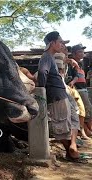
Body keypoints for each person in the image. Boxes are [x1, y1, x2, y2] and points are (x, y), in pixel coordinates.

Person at [37, 32, 86, 163]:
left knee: (74, 117)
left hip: (62, 93)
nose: (62, 44)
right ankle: (72, 153)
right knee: (61, 125)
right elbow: (42, 73)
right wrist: (42, 90)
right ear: (52, 43)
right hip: (56, 95)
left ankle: (73, 145)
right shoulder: (46, 57)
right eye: (60, 42)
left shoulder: (51, 57)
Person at [68, 44, 92, 138]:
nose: (82, 54)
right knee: (84, 110)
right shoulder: (72, 64)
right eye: (80, 52)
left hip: (84, 89)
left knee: (86, 110)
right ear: (74, 54)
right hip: (78, 89)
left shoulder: (81, 64)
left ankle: (86, 130)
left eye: (83, 52)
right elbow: (73, 77)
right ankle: (83, 131)